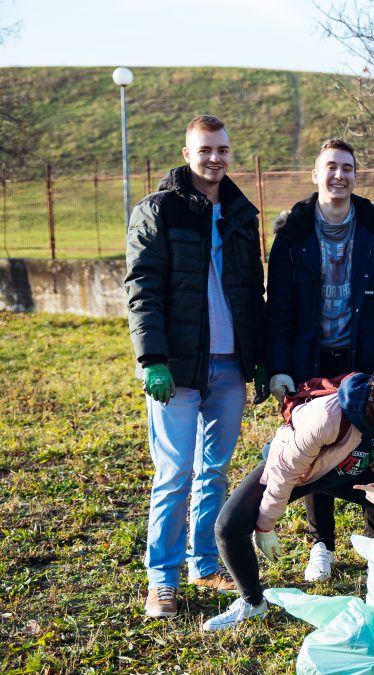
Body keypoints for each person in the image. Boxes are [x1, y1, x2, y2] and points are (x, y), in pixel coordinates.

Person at [124, 114, 269, 619]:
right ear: (187, 153)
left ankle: (203, 562)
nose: (215, 158)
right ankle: (161, 580)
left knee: (215, 471)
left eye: (223, 149)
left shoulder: (240, 213)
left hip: (230, 367)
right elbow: (141, 290)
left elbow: (254, 293)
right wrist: (153, 359)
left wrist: (263, 361)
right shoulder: (157, 212)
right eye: (205, 150)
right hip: (178, 369)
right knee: (174, 473)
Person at [266, 137, 374, 582]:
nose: (339, 175)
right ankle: (321, 545)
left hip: (367, 357)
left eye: (347, 167)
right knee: (315, 446)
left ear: (355, 175)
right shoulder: (292, 232)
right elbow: (278, 309)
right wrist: (279, 365)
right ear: (316, 175)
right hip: (309, 358)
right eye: (330, 167)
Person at [202, 356, 374, 631]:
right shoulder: (329, 414)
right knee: (228, 526)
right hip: (296, 471)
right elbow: (285, 471)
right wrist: (265, 527)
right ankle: (252, 602)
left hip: (343, 472)